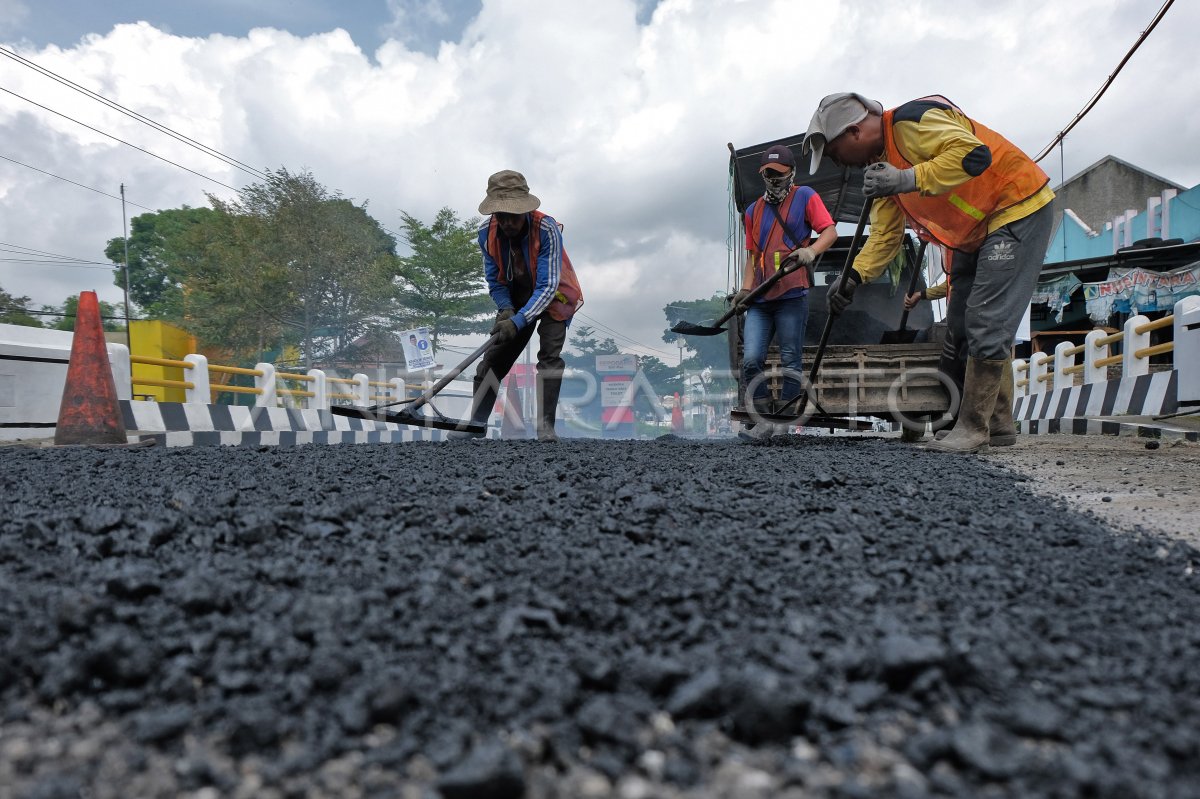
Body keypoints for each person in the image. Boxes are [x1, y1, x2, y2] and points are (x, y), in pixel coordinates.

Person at [802, 93, 1054, 453]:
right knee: (960, 324)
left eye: (833, 152)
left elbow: (973, 155)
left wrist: (906, 178)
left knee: (986, 320)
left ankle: (973, 428)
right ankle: (998, 424)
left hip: (1015, 207)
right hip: (974, 234)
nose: (838, 162)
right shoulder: (881, 169)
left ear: (853, 132)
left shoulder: (910, 123)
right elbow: (886, 236)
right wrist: (852, 277)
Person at [453, 170, 584, 442]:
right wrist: (506, 309)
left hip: (554, 295)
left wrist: (520, 321)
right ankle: (476, 425)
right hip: (515, 295)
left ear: (524, 210)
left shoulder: (546, 229)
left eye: (513, 215)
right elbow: (494, 280)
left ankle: (545, 427)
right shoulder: (485, 234)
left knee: (549, 356)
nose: (508, 223)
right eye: (501, 216)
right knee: (492, 361)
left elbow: (547, 286)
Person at [736, 144, 838, 439]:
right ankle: (764, 414)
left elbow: (829, 231)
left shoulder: (805, 197)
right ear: (763, 175)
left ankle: (782, 419)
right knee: (752, 358)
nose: (774, 179)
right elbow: (752, 256)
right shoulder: (753, 210)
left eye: (779, 174)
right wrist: (745, 289)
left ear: (791, 172)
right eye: (769, 173)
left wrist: (812, 252)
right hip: (760, 298)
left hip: (792, 296)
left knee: (791, 358)